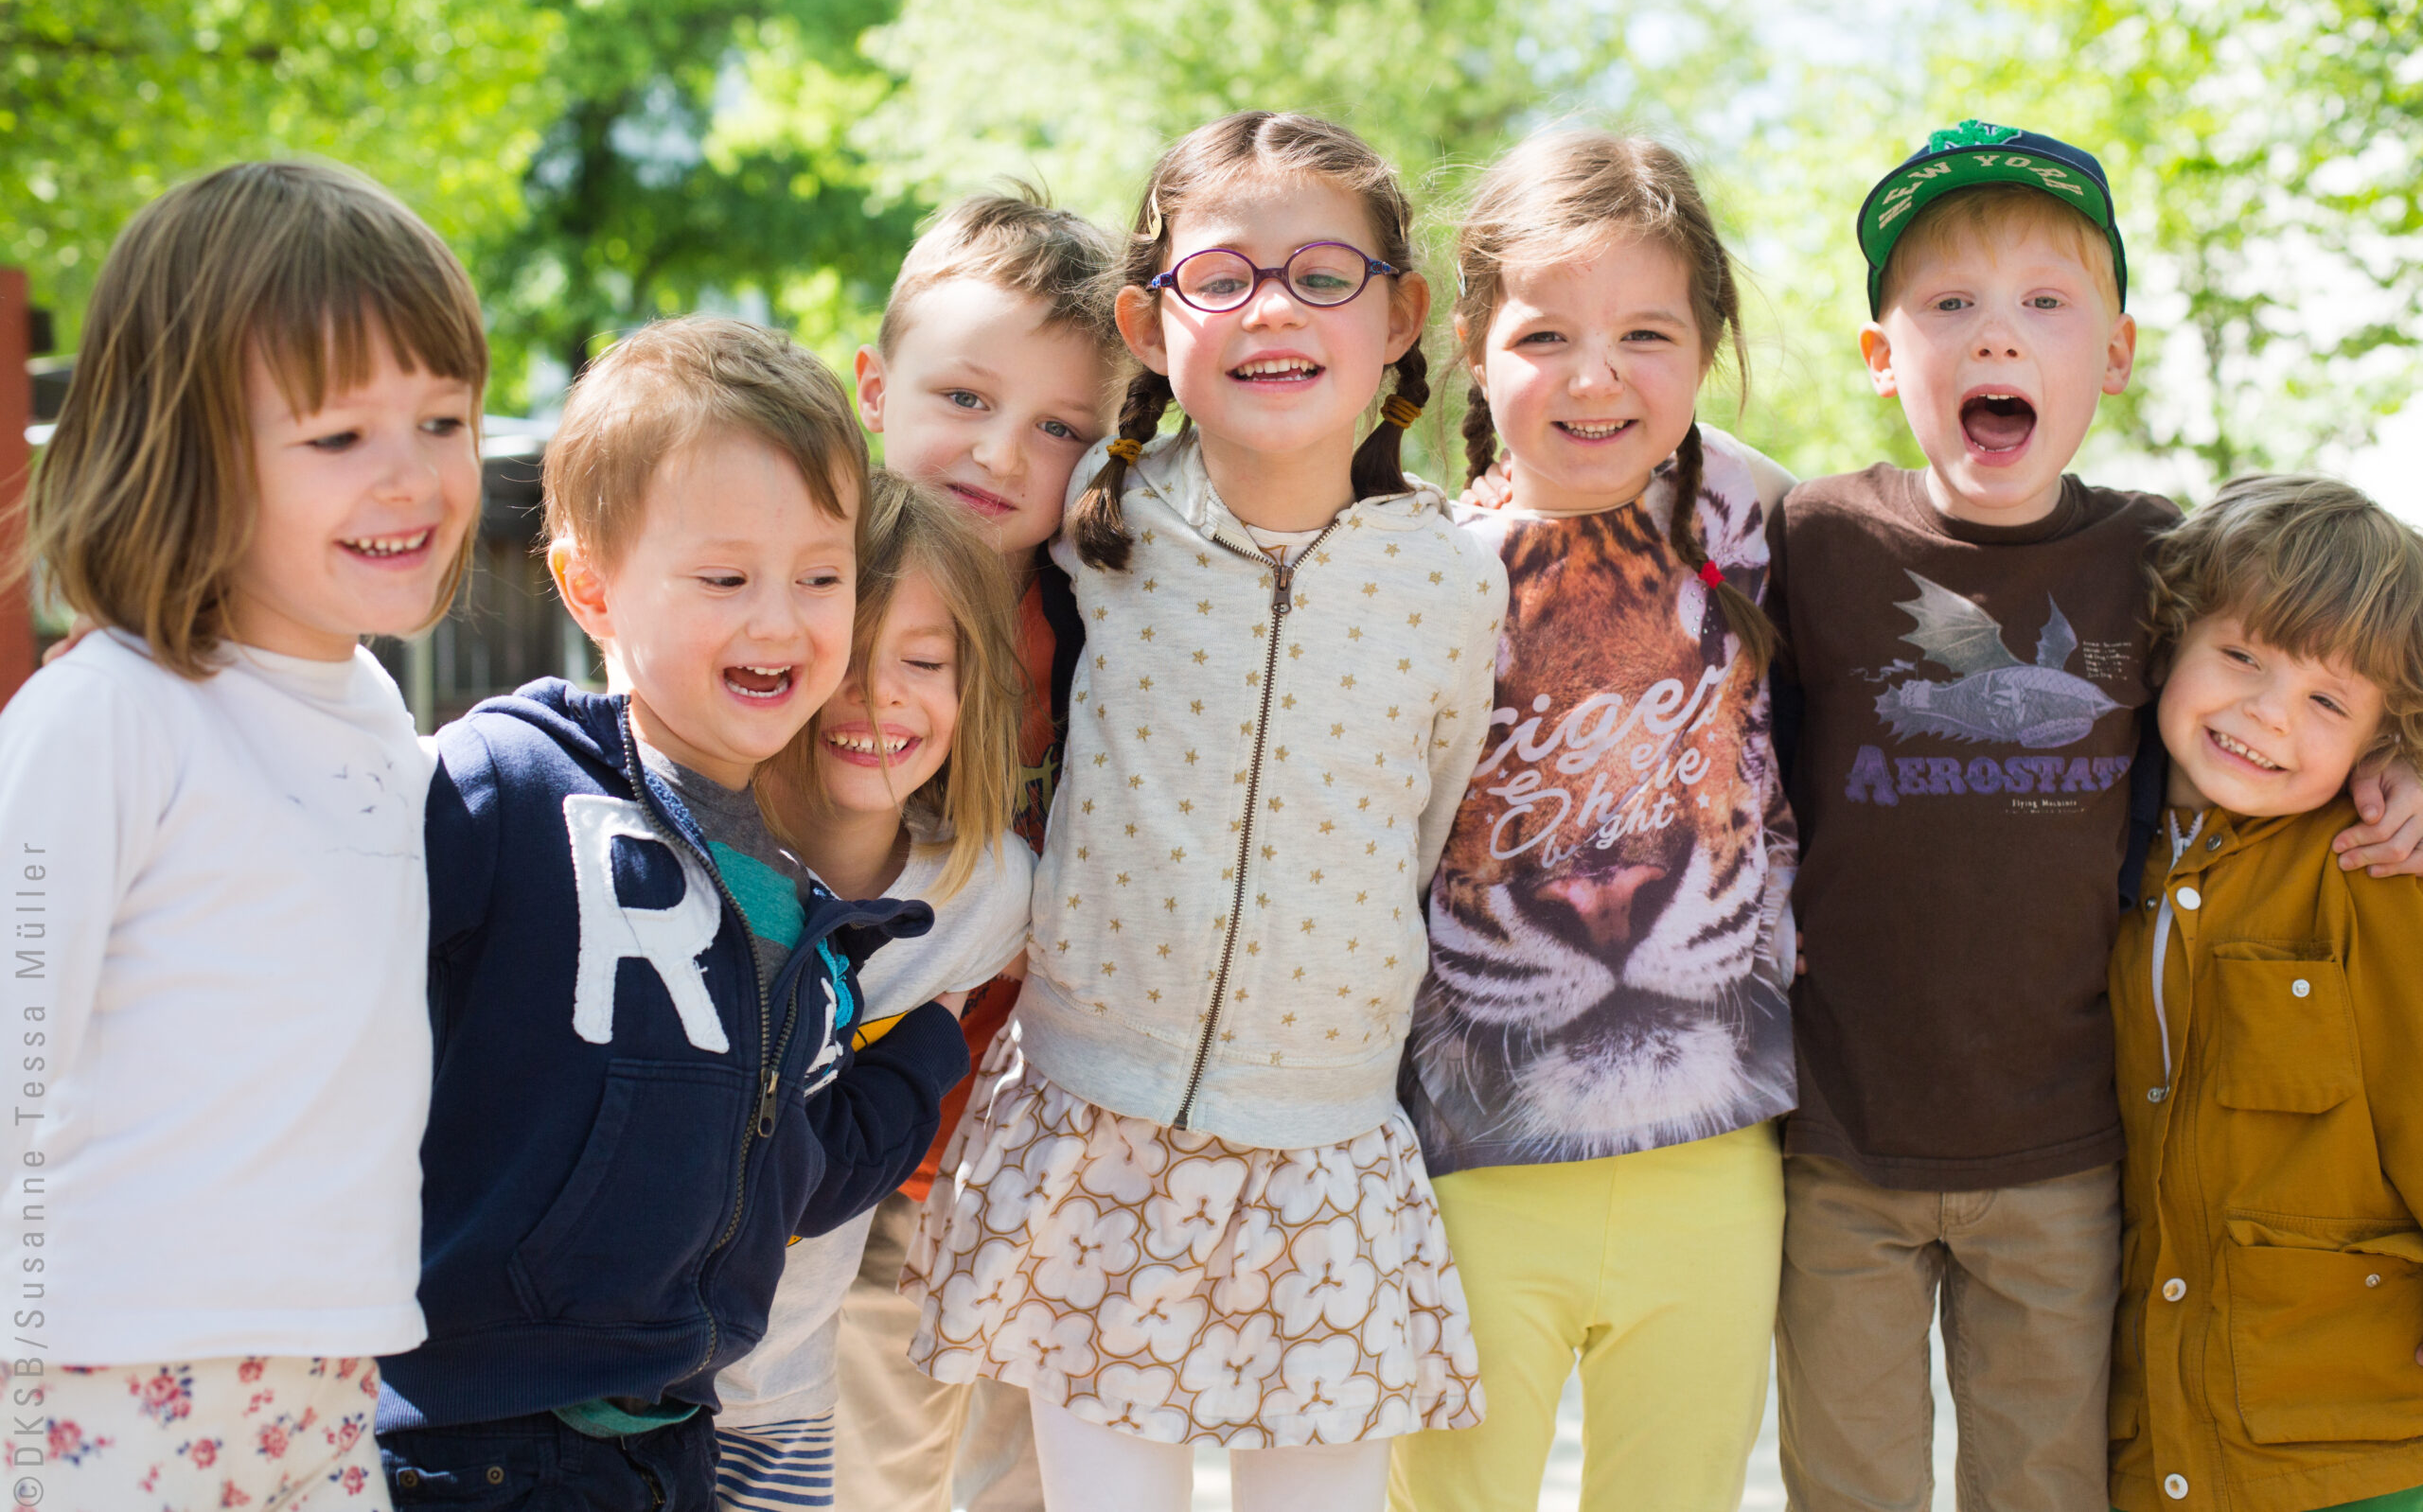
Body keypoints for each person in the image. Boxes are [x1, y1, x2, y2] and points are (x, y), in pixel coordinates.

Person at [1766, 121, 2423, 1512]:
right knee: (1852, 1483)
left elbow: (2314, 659)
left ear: (2111, 357)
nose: (1997, 338)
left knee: (2047, 1483)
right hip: (1842, 1134)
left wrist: (2412, 759)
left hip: (2066, 1149)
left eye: (2045, 306)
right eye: (1951, 306)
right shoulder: (1816, 539)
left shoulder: (2156, 555)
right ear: (1884, 358)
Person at [899, 110, 1505, 1512]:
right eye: (1222, 276)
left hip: (1327, 1149)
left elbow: (1425, 820)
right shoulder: (1100, 517)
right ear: (1151, 323)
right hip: (1093, 1124)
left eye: (1322, 274)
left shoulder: (1449, 578)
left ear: (1402, 315)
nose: (1273, 308)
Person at [376, 316, 970, 1510]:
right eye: (724, 577)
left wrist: (927, 1057)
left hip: (671, 1440)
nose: (777, 618)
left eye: (818, 575)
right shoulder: (506, 783)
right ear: (592, 586)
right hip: (480, 1434)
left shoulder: (786, 898)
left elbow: (786, 1171)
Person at [0, 160, 487, 1509]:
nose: (413, 476)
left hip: (327, 1373)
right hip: (97, 1376)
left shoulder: (378, 713)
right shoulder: (109, 716)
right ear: (186, 451)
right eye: (337, 438)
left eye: (443, 418)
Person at [1388, 130, 1798, 1512]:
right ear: (1471, 341)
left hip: (1718, 1158)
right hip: (1468, 1160)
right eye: (1546, 333)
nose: (1596, 374)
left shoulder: (1757, 514)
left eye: (1646, 332)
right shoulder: (1409, 558)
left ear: (1708, 341)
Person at [834, 188, 1122, 1512]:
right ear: (875, 385)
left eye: (1059, 427)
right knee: (859, 1469)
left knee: (1023, 1481)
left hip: (1043, 1152)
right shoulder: (803, 585)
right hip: (853, 1155)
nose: (1002, 452)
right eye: (962, 397)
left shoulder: (1104, 615)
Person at [715, 472, 1031, 1511]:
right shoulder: (699, 857)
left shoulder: (985, 893)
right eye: (846, 659)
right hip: (630, 1371)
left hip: (786, 1392)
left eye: (924, 662)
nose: (880, 695)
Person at [2108, 475, 2423, 1512]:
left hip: (2350, 1437)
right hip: (2151, 1428)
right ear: (2171, 637)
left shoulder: (2371, 870)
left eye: (2327, 700)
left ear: (2384, 735)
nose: (2263, 712)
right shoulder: (2090, 842)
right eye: (2240, 655)